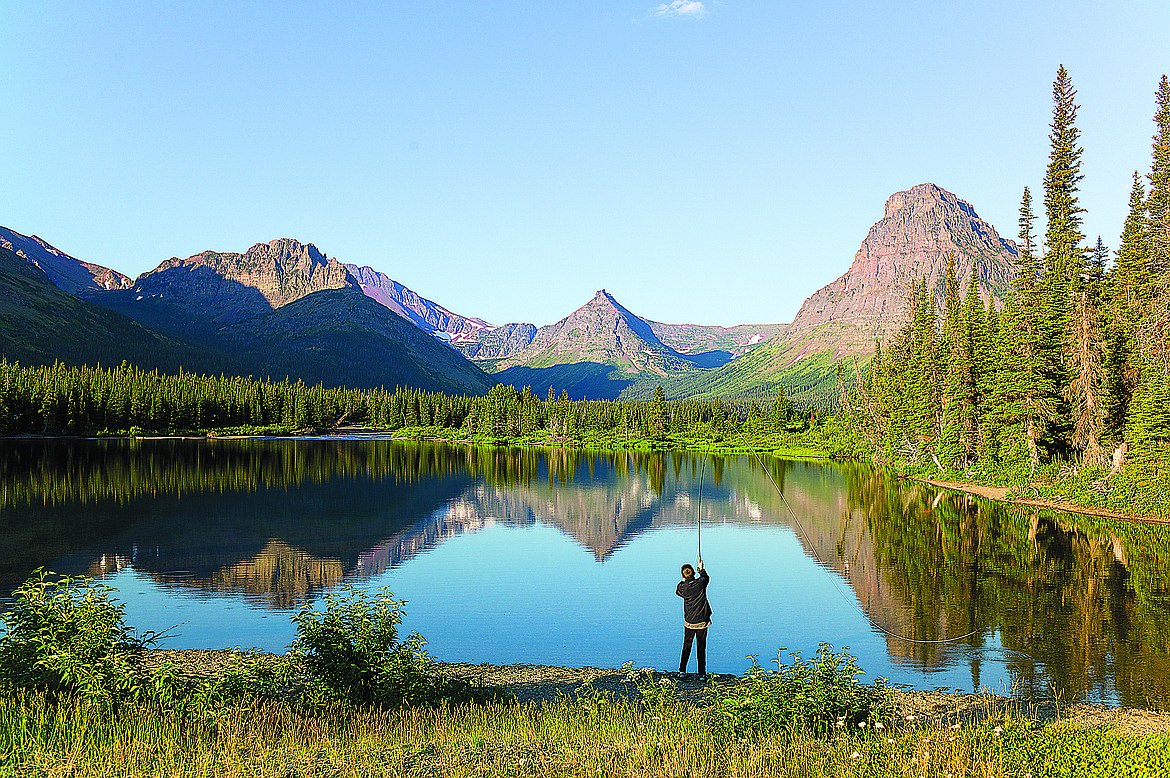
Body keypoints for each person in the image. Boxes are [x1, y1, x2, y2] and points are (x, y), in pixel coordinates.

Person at [676, 558, 711, 680]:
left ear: (682, 575)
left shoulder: (682, 587)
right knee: (701, 647)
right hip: (702, 622)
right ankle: (702, 674)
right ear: (693, 573)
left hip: (689, 622)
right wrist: (701, 569)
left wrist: (684, 581)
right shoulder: (701, 584)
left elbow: (678, 590)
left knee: (687, 645)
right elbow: (706, 578)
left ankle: (682, 671)